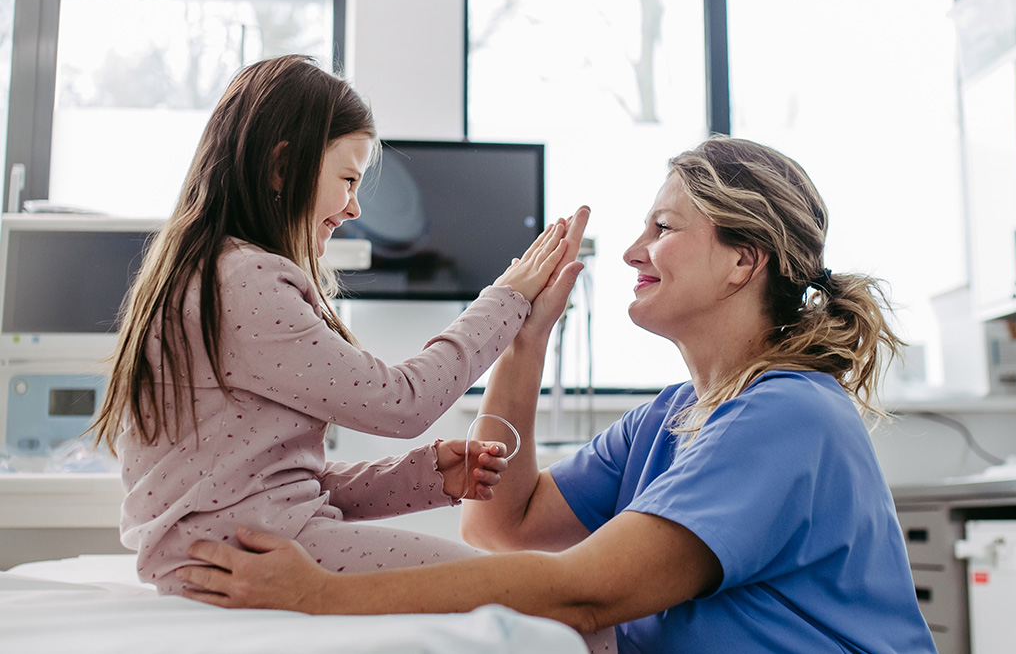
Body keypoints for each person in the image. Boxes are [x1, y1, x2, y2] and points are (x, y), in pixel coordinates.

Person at [175, 137, 939, 654]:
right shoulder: (667, 420)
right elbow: (500, 522)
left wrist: (322, 596)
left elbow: (583, 593)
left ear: (745, 260)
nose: (635, 250)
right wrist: (525, 340)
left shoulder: (787, 415)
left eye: (664, 227)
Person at [88, 54, 591, 599]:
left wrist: (423, 477)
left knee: (523, 589)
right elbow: (403, 404)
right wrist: (507, 299)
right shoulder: (244, 282)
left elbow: (281, 488)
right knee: (534, 597)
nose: (354, 208)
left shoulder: (209, 270)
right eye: (348, 179)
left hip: (241, 543)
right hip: (250, 552)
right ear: (283, 167)